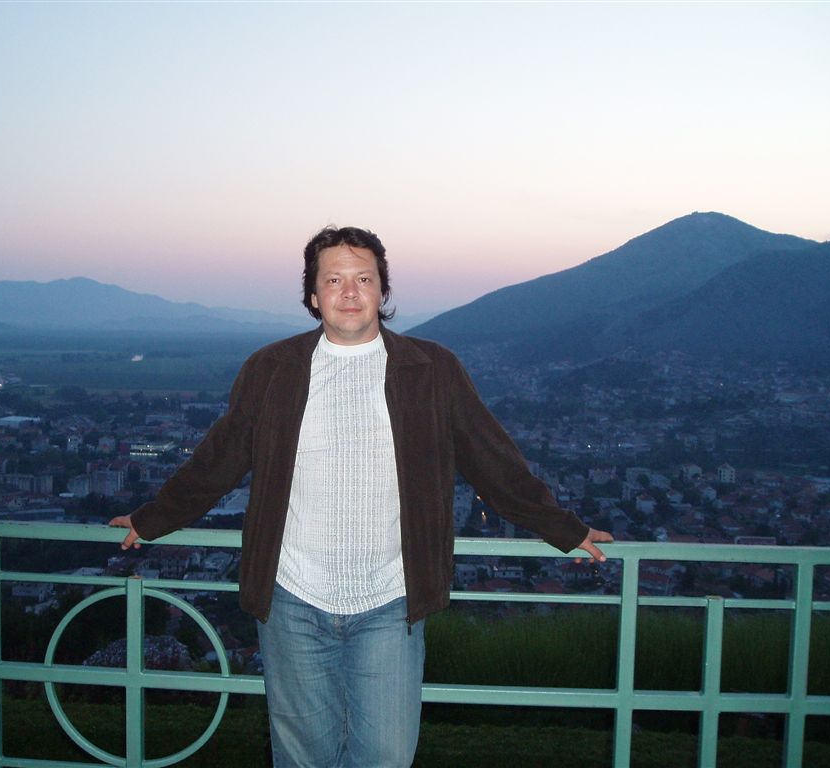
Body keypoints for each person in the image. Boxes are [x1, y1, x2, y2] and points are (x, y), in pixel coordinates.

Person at [110, 226, 612, 767]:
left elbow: (492, 460)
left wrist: (564, 528)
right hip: (292, 596)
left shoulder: (431, 370)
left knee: (387, 755)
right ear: (313, 295)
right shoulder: (272, 370)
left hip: (391, 598)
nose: (349, 292)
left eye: (363, 279)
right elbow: (220, 458)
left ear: (382, 291)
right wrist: (152, 519)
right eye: (334, 280)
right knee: (304, 757)